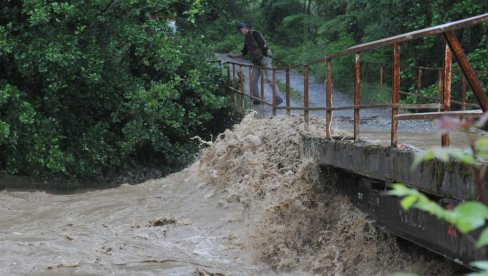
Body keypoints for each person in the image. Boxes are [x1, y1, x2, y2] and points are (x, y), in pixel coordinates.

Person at [228, 23, 283, 105]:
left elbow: (264, 45)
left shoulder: (255, 33)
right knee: (253, 80)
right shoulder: (247, 39)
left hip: (265, 59)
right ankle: (256, 99)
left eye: (240, 30)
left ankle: (279, 98)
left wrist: (265, 57)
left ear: (244, 28)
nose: (240, 32)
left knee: (270, 79)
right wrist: (233, 56)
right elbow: (243, 52)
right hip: (256, 62)